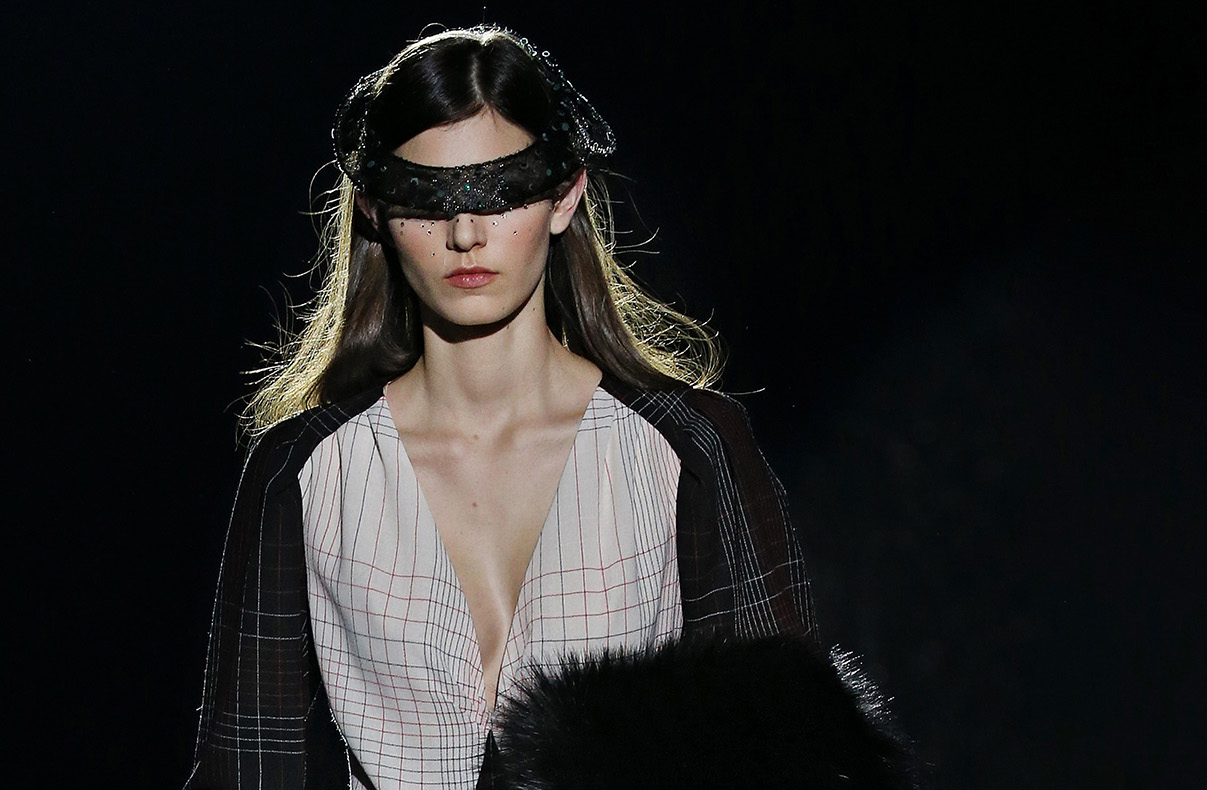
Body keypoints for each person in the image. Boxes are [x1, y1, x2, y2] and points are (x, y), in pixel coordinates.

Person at [184, 26, 816, 790]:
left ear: (564, 195)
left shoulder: (687, 451)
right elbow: (247, 768)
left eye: (502, 189)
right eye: (427, 197)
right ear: (376, 212)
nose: (465, 232)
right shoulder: (304, 472)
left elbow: (791, 757)